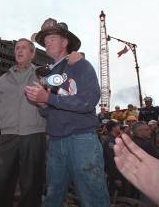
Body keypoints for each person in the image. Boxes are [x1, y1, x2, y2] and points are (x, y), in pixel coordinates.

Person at [25, 18, 110, 207]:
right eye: (45, 39)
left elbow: (88, 101)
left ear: (65, 42)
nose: (47, 42)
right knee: (53, 196)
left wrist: (48, 99)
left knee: (92, 196)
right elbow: (51, 112)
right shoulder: (46, 76)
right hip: (55, 141)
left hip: (81, 140)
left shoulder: (80, 65)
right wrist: (42, 106)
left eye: (52, 38)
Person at [0, 38, 47, 207]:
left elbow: (52, 101)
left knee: (32, 184)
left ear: (32, 53)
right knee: (2, 180)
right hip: (8, 135)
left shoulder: (41, 75)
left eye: (24, 48)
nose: (19, 51)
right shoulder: (3, 79)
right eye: (17, 48)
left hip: (34, 134)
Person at [114, 133, 159, 207]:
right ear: (139, 131)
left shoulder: (146, 141)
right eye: (145, 130)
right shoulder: (139, 143)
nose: (149, 131)